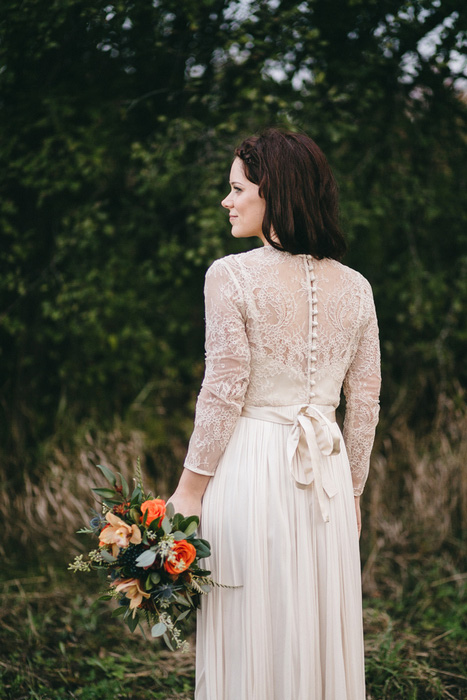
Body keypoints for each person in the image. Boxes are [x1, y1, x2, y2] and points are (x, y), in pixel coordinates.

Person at [169, 128, 381, 700]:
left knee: (250, 627)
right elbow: (364, 405)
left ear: (273, 192)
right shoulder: (358, 288)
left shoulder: (230, 275)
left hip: (254, 466)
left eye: (237, 188)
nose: (227, 200)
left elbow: (224, 387)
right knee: (317, 628)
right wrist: (355, 493)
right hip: (328, 480)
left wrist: (189, 491)